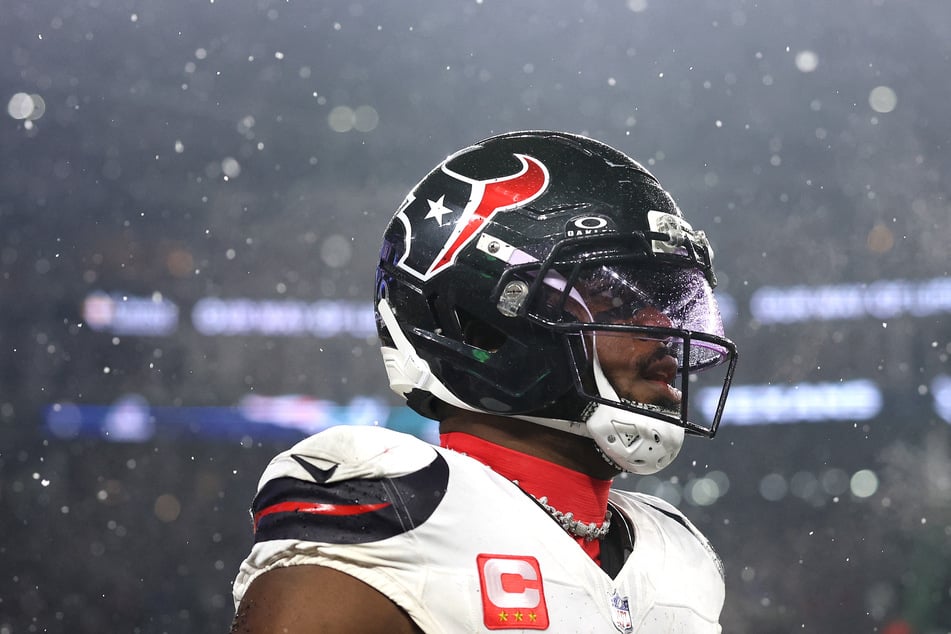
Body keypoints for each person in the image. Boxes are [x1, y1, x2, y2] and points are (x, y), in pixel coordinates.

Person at [230, 130, 738, 633]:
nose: (666, 332)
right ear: (485, 319)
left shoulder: (677, 553)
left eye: (667, 305)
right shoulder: (396, 508)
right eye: (618, 299)